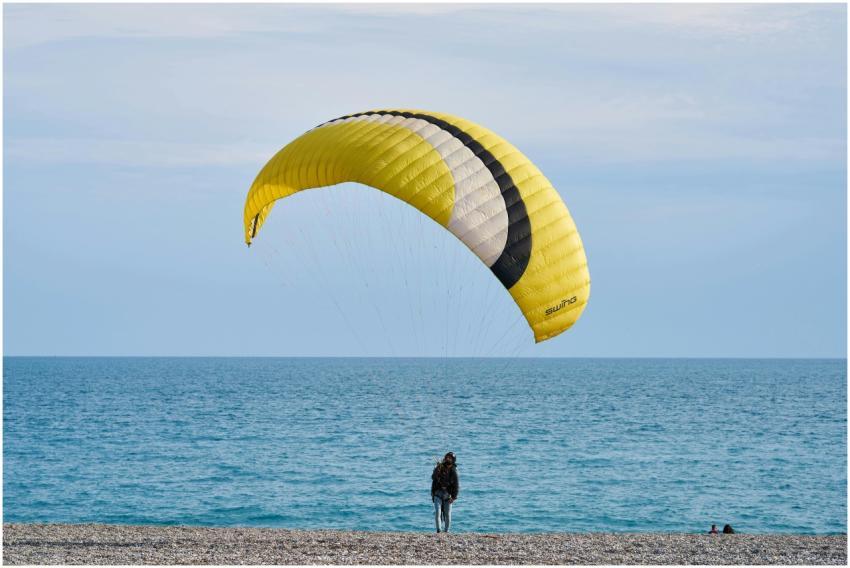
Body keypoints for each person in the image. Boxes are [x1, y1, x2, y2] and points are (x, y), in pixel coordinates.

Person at [431, 452, 459, 533]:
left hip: (448, 495)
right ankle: (439, 530)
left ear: (453, 460)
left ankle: (446, 531)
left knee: (447, 514)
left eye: (450, 458)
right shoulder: (439, 467)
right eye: (447, 457)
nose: (448, 459)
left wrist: (454, 497)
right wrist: (437, 469)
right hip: (437, 493)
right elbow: (433, 477)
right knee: (437, 512)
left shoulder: (454, 471)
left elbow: (456, 485)